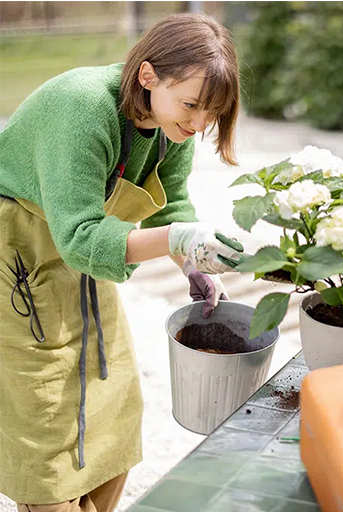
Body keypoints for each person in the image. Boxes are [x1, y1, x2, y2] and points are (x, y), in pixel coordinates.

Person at [0, 13, 245, 512]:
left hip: (86, 244)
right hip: (18, 246)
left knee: (108, 381)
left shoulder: (169, 123)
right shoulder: (83, 107)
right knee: (43, 399)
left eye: (211, 114)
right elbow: (82, 236)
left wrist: (190, 263)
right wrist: (178, 237)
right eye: (192, 105)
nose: (198, 124)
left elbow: (172, 202)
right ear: (148, 76)